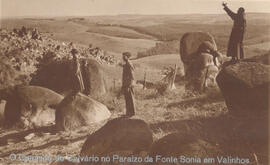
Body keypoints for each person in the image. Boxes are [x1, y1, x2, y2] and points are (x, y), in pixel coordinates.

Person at [118, 52, 136, 117]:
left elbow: (132, 75)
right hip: (126, 84)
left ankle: (132, 113)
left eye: (124, 56)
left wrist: (130, 84)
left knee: (130, 98)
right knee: (127, 99)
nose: (123, 57)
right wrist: (121, 65)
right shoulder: (126, 64)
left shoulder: (129, 64)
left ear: (127, 57)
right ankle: (129, 112)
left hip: (129, 84)